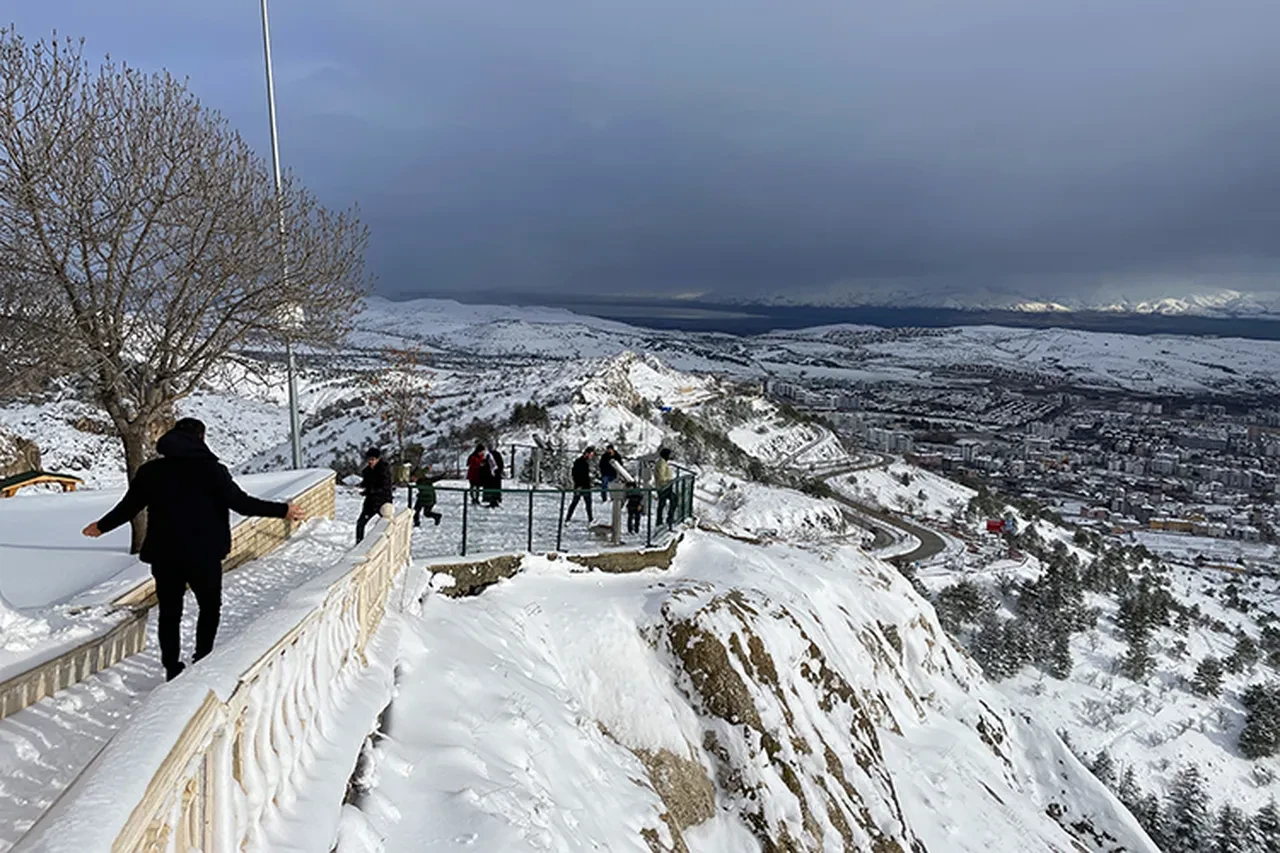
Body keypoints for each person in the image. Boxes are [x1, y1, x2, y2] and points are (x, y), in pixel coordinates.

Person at [81, 418, 304, 681]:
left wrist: (102, 526)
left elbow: (129, 507)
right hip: (204, 552)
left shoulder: (150, 471)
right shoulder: (212, 471)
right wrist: (283, 510)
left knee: (170, 610)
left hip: (165, 554)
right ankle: (202, 657)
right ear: (201, 438)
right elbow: (242, 504)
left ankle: (172, 668)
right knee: (209, 606)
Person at [356, 447, 394, 544]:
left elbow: (386, 486)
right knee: (360, 523)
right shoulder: (366, 471)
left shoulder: (384, 470)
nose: (370, 461)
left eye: (372, 459)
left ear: (378, 459)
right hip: (370, 502)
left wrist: (372, 490)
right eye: (369, 459)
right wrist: (363, 488)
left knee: (388, 524)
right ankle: (358, 544)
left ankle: (390, 542)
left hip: (383, 502)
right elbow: (366, 484)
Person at [565, 446, 596, 523]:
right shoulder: (579, 462)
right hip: (580, 486)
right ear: (587, 453)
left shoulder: (586, 462)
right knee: (575, 503)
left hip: (586, 486)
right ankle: (568, 518)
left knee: (588, 504)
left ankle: (590, 519)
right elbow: (575, 474)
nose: (591, 456)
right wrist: (578, 485)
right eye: (591, 454)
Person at [655, 447, 677, 527]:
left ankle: (664, 519)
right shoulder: (661, 463)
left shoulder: (663, 462)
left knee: (667, 501)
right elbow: (661, 476)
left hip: (665, 486)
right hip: (663, 486)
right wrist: (669, 480)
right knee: (664, 502)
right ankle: (663, 519)